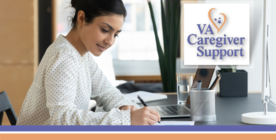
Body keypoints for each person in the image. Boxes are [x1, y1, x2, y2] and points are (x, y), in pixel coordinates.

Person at [16, 0, 160, 125]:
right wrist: (126, 119)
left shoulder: (82, 55)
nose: (110, 41)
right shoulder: (63, 57)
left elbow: (106, 92)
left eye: (115, 34)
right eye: (105, 30)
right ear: (81, 18)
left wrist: (126, 107)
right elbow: (62, 120)